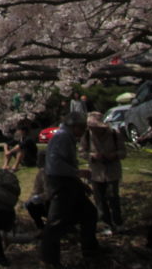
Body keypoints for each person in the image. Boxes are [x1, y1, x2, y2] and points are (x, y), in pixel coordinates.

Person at [40, 111, 100, 267]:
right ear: (75, 126)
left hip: (69, 181)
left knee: (89, 213)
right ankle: (50, 260)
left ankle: (90, 250)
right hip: (61, 183)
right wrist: (77, 173)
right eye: (82, 128)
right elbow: (55, 164)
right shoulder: (62, 137)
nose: (83, 132)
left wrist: (79, 183)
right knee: (55, 222)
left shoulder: (67, 137)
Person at [81, 111, 126, 234]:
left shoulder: (114, 134)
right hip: (96, 172)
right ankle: (106, 224)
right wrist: (92, 156)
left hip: (112, 171)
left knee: (113, 198)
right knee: (99, 200)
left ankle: (118, 222)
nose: (93, 129)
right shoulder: (87, 135)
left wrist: (114, 155)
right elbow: (82, 152)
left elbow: (123, 152)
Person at [25, 149, 51, 231]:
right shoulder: (41, 173)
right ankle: (41, 227)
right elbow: (36, 189)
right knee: (29, 204)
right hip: (45, 201)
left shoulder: (51, 172)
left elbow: (50, 193)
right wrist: (33, 198)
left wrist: (40, 197)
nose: (37, 161)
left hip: (53, 202)